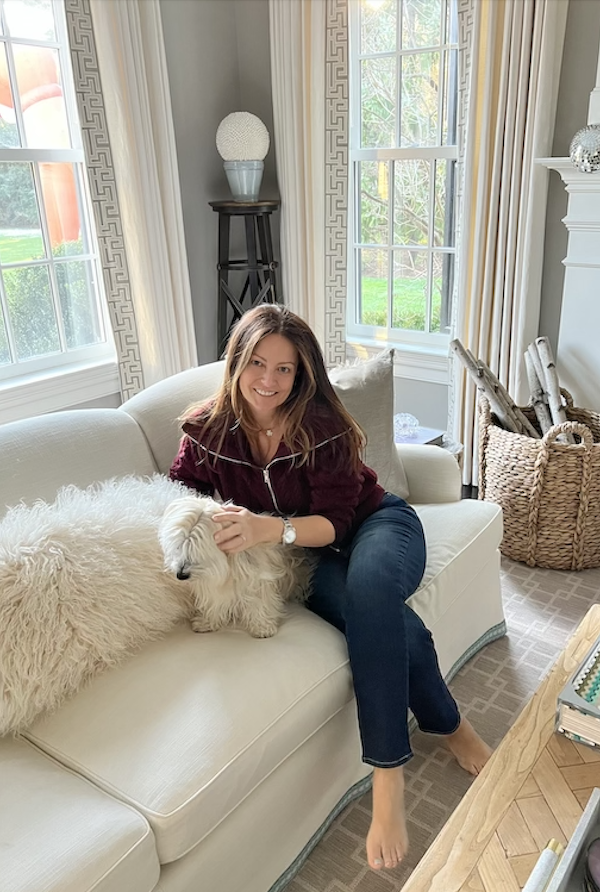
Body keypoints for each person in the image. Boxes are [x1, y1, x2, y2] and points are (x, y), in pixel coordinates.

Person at [169, 304, 492, 871]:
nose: (268, 381)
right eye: (257, 363)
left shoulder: (322, 426)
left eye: (286, 369)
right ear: (237, 362)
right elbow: (178, 493)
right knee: (391, 624)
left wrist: (269, 528)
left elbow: (339, 522)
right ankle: (453, 725)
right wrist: (209, 518)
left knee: (371, 588)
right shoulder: (205, 429)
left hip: (375, 526)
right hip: (304, 561)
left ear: (302, 375)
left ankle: (386, 780)